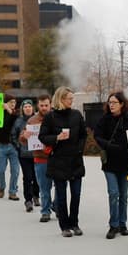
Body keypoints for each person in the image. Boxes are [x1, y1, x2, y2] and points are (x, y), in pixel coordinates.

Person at [39, 86, 87, 237]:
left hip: (75, 160)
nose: (72, 101)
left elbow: (83, 135)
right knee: (61, 195)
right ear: (60, 99)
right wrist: (56, 138)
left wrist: (79, 149)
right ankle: (64, 226)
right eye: (69, 99)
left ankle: (75, 223)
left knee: (76, 194)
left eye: (72, 98)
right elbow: (42, 136)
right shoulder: (50, 117)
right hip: (58, 160)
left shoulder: (77, 114)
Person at [93, 91, 128, 239]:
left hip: (125, 162)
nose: (111, 105)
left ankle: (122, 224)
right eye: (109, 102)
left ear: (122, 104)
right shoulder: (104, 120)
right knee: (114, 193)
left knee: (123, 195)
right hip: (110, 162)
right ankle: (113, 225)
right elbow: (97, 136)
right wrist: (108, 145)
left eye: (114, 103)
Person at [23, 95, 54, 222]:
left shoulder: (56, 118)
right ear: (38, 106)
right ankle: (45, 211)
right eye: (42, 105)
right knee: (44, 187)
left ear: (50, 105)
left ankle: (57, 205)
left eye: (46, 105)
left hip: (56, 157)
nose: (44, 108)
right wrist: (24, 135)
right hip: (40, 158)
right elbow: (23, 139)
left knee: (61, 185)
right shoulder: (32, 121)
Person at [0, 96, 22, 201]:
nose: (13, 104)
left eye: (14, 102)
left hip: (13, 146)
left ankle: (12, 192)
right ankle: (2, 187)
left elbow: (17, 119)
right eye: (11, 102)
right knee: (0, 170)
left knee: (15, 170)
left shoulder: (17, 113)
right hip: (1, 146)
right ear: (5, 103)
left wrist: (9, 110)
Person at [17, 99, 40, 211]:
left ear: (33, 108)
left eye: (29, 106)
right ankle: (28, 200)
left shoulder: (37, 120)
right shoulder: (19, 121)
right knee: (27, 177)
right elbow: (13, 135)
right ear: (22, 109)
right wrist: (19, 146)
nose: (27, 108)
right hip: (24, 154)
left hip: (37, 153)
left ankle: (36, 196)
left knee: (37, 177)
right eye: (25, 107)